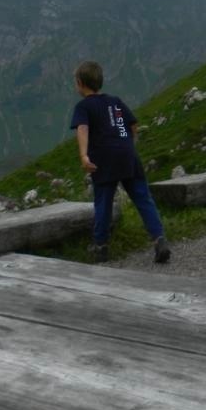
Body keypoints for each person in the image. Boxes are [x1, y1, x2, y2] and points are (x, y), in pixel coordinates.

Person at [70, 61, 170, 264]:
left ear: (80, 83)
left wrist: (84, 156)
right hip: (127, 155)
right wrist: (124, 141)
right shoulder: (115, 102)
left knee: (103, 203)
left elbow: (83, 128)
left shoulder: (84, 106)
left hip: (104, 160)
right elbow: (131, 125)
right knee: (143, 198)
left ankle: (100, 247)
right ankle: (159, 240)